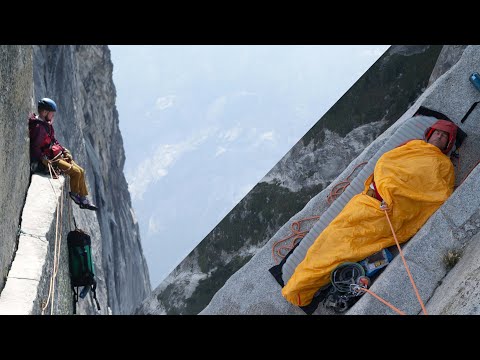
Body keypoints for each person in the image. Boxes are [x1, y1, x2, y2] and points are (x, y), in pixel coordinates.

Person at [281, 119, 458, 307]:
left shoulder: (444, 166)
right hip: (368, 200)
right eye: (437, 132)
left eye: (444, 136)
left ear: (448, 144)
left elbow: (438, 195)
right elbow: (385, 162)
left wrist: (397, 201)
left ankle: (302, 289)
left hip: (387, 214)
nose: (439, 136)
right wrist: (385, 186)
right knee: (331, 238)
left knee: (345, 250)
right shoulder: (413, 146)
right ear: (430, 133)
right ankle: (300, 286)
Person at [28, 98, 98, 211]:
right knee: (75, 172)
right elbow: (35, 147)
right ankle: (75, 195)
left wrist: (64, 150)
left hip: (55, 154)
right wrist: (42, 159)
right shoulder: (39, 128)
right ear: (45, 112)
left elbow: (53, 140)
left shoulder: (46, 125)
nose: (53, 116)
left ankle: (84, 197)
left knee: (81, 171)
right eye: (52, 114)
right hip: (50, 159)